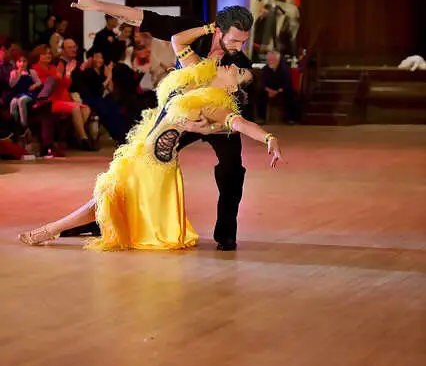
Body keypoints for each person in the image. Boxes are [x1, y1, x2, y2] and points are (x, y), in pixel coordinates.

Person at [18, 23, 281, 250]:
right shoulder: (196, 75)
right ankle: (62, 229)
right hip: (139, 151)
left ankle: (51, 229)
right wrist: (211, 28)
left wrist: (269, 138)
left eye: (235, 71)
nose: (228, 66)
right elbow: (178, 41)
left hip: (154, 163)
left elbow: (241, 124)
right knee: (113, 202)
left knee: (107, 197)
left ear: (233, 85)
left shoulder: (214, 104)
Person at [69, 0, 254, 250]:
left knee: (232, 168)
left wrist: (211, 126)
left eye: (244, 41)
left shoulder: (237, 63)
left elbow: (239, 103)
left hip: (214, 118)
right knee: (138, 162)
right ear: (218, 30)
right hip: (178, 115)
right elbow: (144, 17)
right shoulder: (192, 30)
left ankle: (226, 232)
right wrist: (96, 5)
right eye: (236, 40)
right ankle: (103, 219)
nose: (240, 47)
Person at [257, 49, 297, 124]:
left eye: (272, 59)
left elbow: (287, 83)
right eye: (269, 60)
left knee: (289, 94)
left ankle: (290, 118)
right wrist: (269, 90)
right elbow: (262, 83)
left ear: (277, 59)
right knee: (260, 93)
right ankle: (261, 117)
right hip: (269, 90)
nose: (270, 61)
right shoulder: (266, 69)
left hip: (281, 90)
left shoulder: (285, 68)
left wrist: (277, 91)